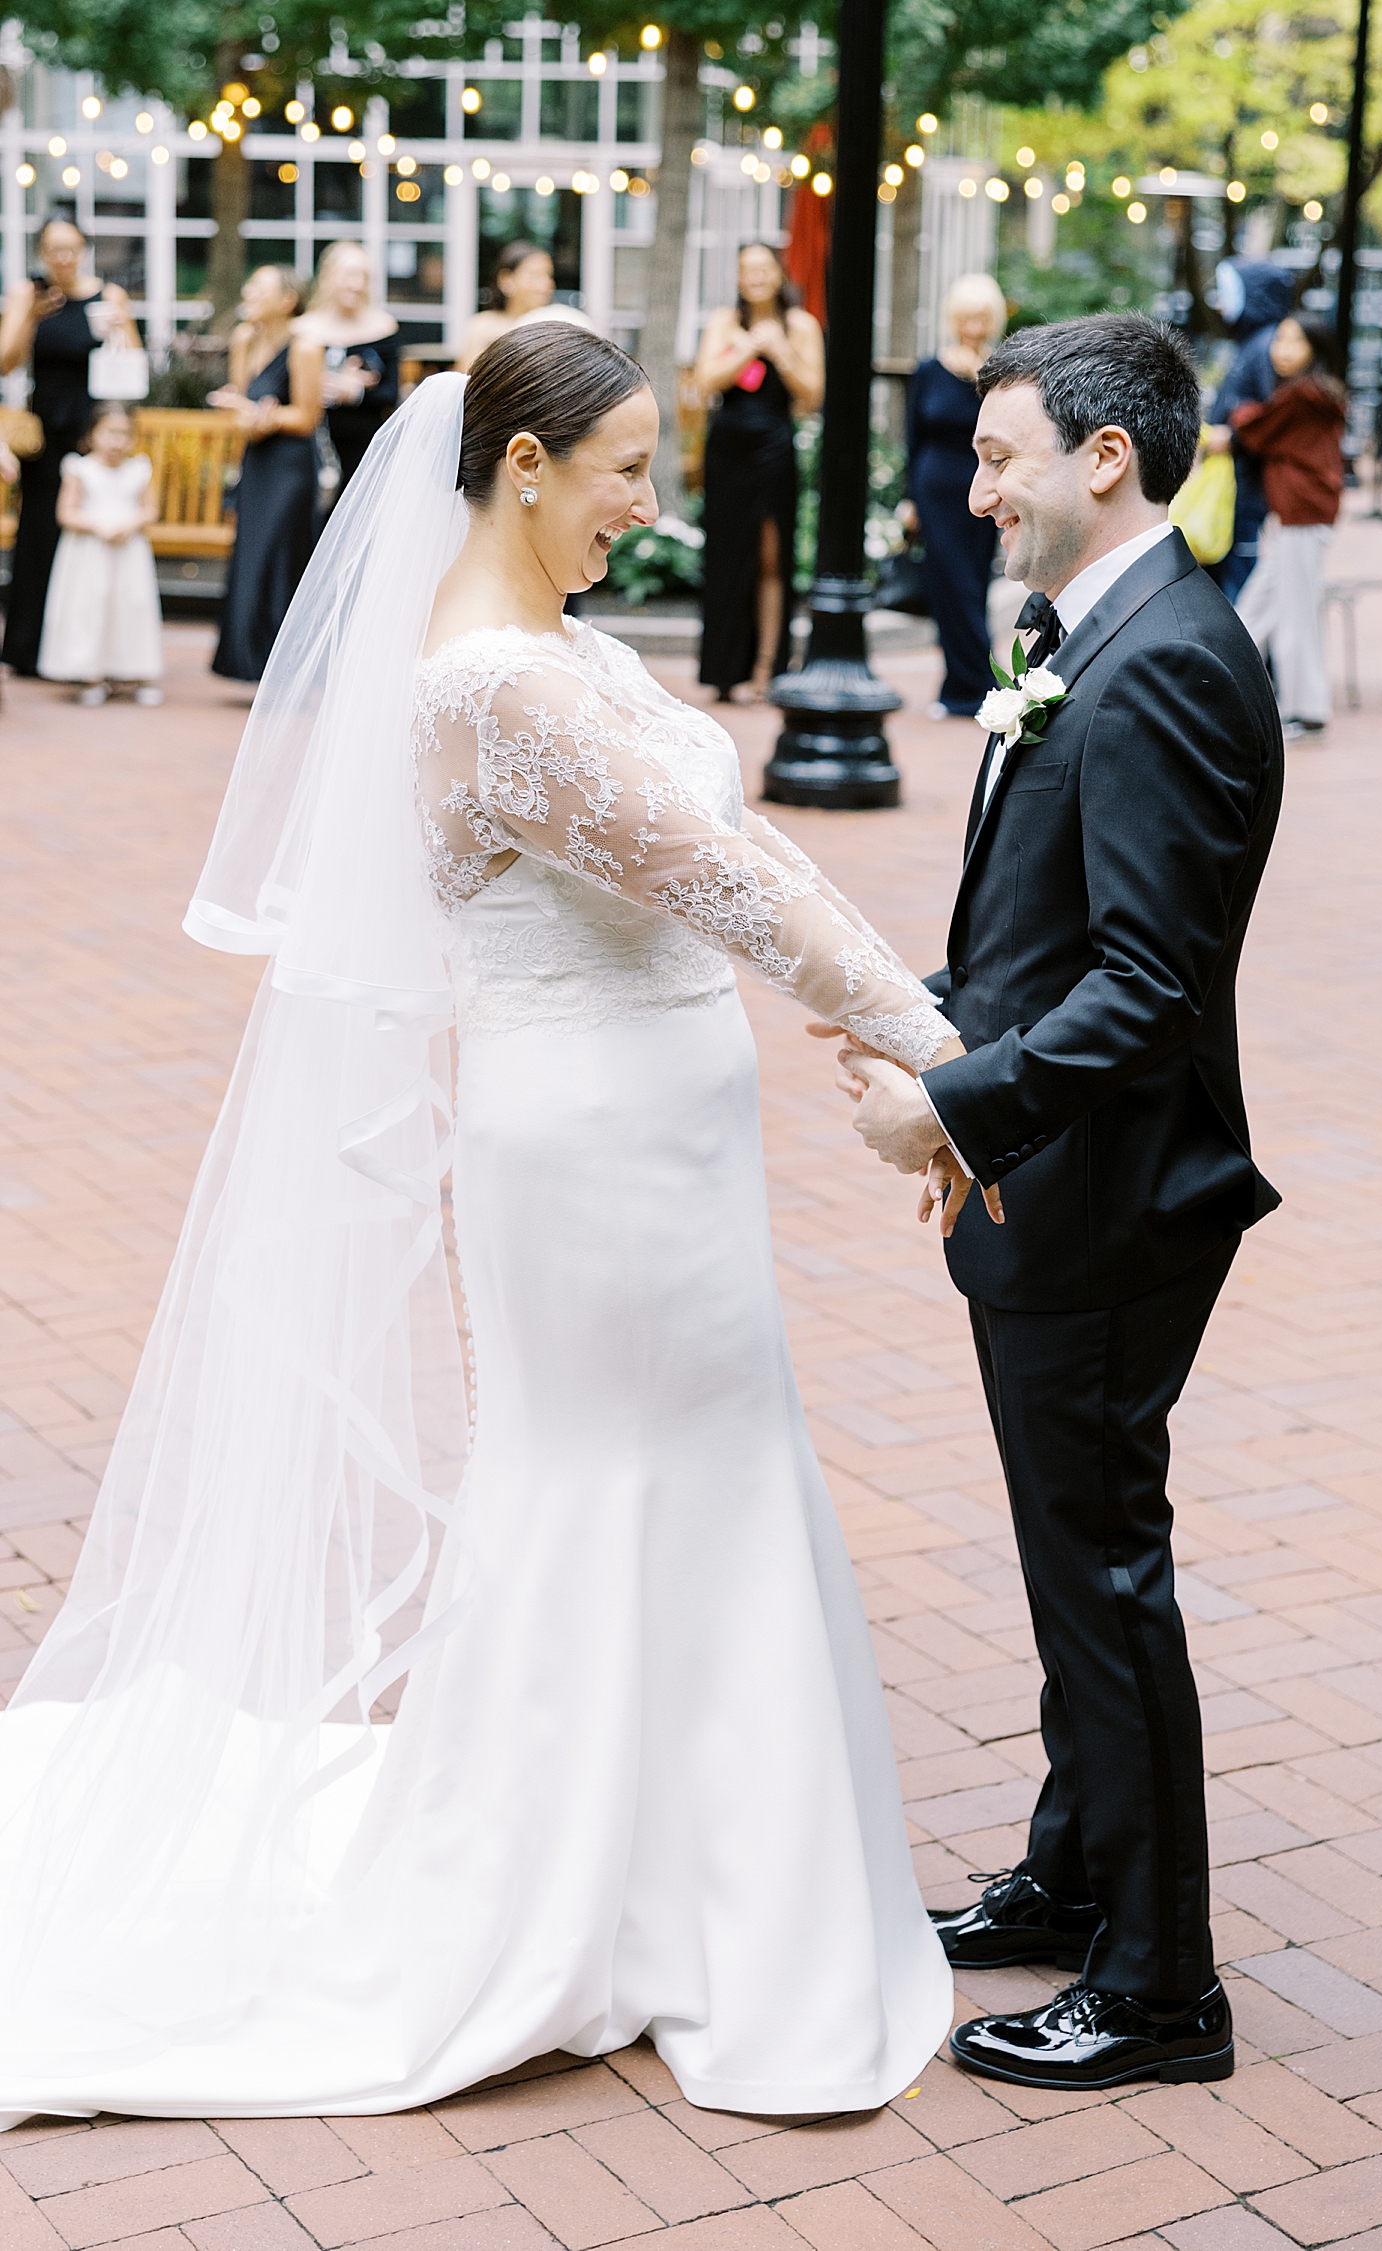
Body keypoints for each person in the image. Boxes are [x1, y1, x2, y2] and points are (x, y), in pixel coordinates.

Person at [0, 327, 954, 2129]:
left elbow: (752, 863)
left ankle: (681, 1855)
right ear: (524, 465)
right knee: (605, 1475)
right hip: (588, 1141)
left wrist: (934, 1040)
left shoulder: (567, 648)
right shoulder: (487, 690)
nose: (649, 508)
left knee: (710, 1467)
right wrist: (938, 1046)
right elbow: (726, 879)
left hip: (667, 1123)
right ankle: (580, 1878)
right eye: (625, 471)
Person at [829, 313, 1283, 2094]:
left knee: (1102, 1575)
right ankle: (1076, 1870)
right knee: (1064, 1558)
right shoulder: (1074, 633)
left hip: (1109, 1197)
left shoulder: (1164, 656)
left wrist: (947, 1101)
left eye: (999, 451)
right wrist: (943, 1046)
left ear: (1107, 458)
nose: (972, 480)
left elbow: (1150, 983)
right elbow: (1040, 926)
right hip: (1049, 1175)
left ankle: (1164, 1986)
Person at [0, 216, 139, 676]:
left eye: (71, 247)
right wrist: (29, 318)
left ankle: (87, 653)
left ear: (84, 249)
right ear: (42, 252)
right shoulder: (28, 292)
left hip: (94, 430)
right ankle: (29, 649)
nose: (63, 257)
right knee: (40, 536)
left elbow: (134, 367)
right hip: (47, 429)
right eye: (53, 248)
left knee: (87, 540)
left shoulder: (110, 296)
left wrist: (120, 328)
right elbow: (6, 363)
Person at [696, 242, 825, 702]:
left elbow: (811, 396)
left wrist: (781, 352)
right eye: (746, 269)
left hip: (774, 447)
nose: (754, 277)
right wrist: (748, 347)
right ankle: (724, 670)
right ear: (737, 276)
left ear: (778, 273)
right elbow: (705, 382)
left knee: (772, 557)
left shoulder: (801, 325)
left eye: (763, 268)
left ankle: (767, 666)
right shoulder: (723, 323)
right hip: (728, 449)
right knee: (728, 556)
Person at [1228, 315, 1346, 741]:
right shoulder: (1311, 393)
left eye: (1295, 341)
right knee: (1256, 609)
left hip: (1302, 514)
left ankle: (1306, 710)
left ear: (1315, 349)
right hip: (1299, 515)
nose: (1282, 349)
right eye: (1279, 339)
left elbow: (1254, 428)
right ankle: (1227, 693)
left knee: (1295, 613)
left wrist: (1239, 416)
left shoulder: (1304, 395)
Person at [209, 265, 324, 683]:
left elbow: (307, 417)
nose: (249, 292)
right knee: (249, 555)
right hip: (256, 461)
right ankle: (247, 662)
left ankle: (285, 668)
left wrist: (268, 420)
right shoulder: (244, 338)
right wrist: (244, 416)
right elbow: (242, 402)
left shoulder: (305, 348)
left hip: (291, 467)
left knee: (279, 556)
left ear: (286, 301)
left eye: (260, 288)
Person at [902, 274, 1007, 718]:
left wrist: (982, 380)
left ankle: (963, 686)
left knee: (974, 585)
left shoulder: (1000, 371)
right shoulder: (929, 369)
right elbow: (913, 436)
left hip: (983, 485)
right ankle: (978, 685)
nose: (974, 327)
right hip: (936, 488)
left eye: (982, 319)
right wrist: (909, 498)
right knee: (949, 586)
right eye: (966, 318)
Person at [38, 401, 163, 704]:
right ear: (92, 434)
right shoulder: (80, 469)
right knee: (90, 609)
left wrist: (130, 524)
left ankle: (134, 672)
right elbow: (66, 513)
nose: (116, 442)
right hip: (90, 554)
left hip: (128, 553)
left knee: (130, 607)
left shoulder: (138, 469)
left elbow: (150, 510)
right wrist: (97, 526)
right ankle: (91, 673)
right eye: (109, 433)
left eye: (124, 434)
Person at [1204, 257, 1295, 603]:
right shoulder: (1253, 343)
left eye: (1227, 292)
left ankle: (1247, 657)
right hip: (1236, 485)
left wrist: (1235, 439)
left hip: (1246, 486)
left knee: (1242, 584)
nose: (1218, 302)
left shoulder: (1265, 347)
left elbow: (1276, 417)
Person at [296, 241, 400, 504]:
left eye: (364, 276)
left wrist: (355, 392)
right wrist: (323, 386)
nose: (357, 284)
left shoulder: (384, 327)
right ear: (328, 277)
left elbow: (391, 393)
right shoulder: (301, 330)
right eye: (349, 275)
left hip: (365, 451)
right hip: (311, 451)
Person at [455, 240, 556, 371]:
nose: (545, 284)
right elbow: (467, 378)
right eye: (534, 275)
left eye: (549, 276)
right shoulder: (482, 326)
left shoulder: (554, 328)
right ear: (506, 280)